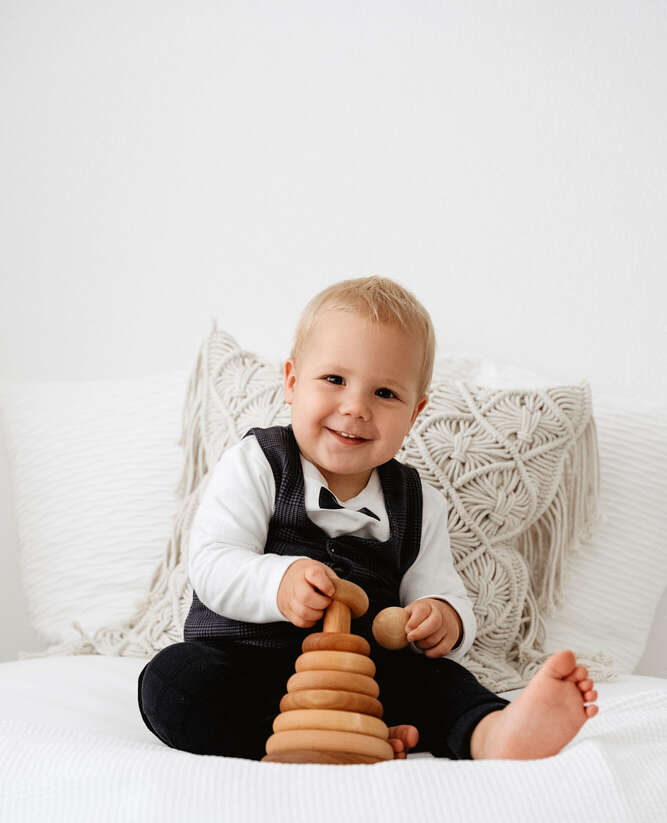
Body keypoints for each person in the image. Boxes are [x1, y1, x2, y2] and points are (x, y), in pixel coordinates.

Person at [137, 276, 599, 762]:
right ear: (292, 382)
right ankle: (323, 739)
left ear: (415, 413)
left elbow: (439, 589)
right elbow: (212, 563)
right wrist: (280, 582)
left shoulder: (420, 504)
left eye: (385, 393)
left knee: (439, 683)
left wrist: (443, 619)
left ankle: (493, 732)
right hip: (251, 664)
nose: (356, 408)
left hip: (366, 681)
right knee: (173, 680)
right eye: (334, 380)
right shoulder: (258, 463)